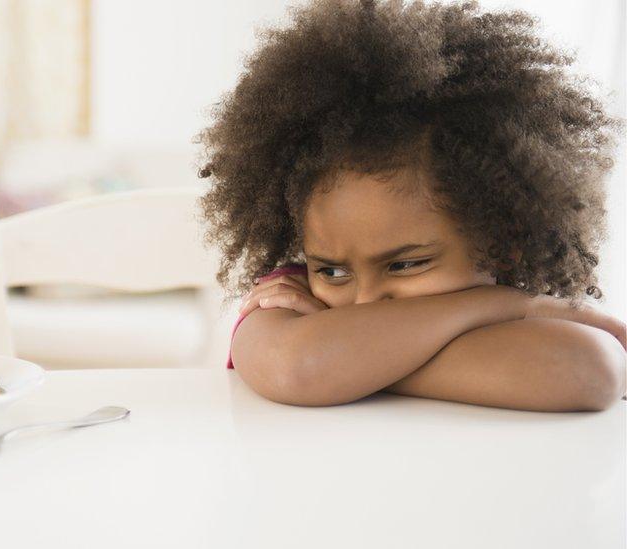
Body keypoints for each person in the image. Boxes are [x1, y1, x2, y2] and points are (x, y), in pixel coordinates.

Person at [197, 0, 626, 411]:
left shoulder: (316, 321)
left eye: (405, 265)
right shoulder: (286, 297)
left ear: (504, 240)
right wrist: (509, 304)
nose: (365, 301)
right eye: (331, 271)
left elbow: (586, 370)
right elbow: (299, 367)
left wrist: (349, 362)